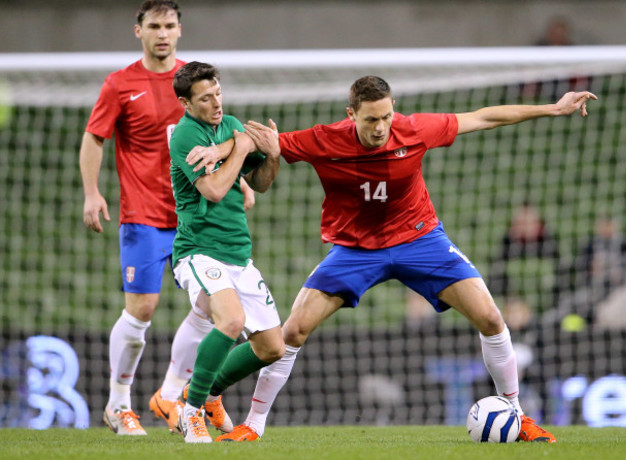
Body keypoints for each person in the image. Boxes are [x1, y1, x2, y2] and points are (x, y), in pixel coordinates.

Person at [189, 76, 596, 443]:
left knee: (491, 319)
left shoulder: (414, 129)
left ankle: (517, 414)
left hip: (420, 240)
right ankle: (253, 425)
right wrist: (223, 146)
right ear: (351, 116)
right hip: (355, 249)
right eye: (370, 120)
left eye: (386, 116)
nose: (381, 127)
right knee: (292, 331)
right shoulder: (323, 139)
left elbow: (484, 116)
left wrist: (552, 108)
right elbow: (264, 142)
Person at [79, 1, 254, 436]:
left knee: (209, 306)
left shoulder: (195, 83)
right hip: (144, 214)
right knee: (143, 308)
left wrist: (241, 182)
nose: (162, 33)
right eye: (153, 25)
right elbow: (94, 138)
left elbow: (222, 136)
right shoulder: (121, 84)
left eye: (169, 25)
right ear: (137, 31)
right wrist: (92, 192)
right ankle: (119, 404)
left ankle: (171, 394)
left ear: (179, 30)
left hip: (195, 217)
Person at [169, 61, 285, 443]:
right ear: (187, 103)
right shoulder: (185, 135)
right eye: (205, 98)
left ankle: (204, 394)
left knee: (272, 347)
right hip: (199, 251)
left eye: (218, 93)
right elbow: (215, 190)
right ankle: (190, 413)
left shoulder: (230, 124)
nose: (216, 103)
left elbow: (262, 185)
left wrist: (271, 154)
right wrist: (241, 145)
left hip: (238, 253)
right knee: (231, 321)